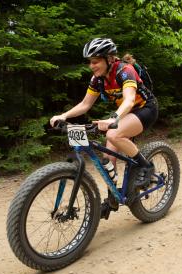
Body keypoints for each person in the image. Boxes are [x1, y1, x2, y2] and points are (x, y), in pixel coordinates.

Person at [50, 37, 158, 208]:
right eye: (90, 62)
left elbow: (129, 100)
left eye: (95, 61)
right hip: (124, 113)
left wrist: (113, 119)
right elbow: (85, 104)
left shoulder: (125, 71)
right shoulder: (97, 79)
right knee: (108, 158)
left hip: (145, 109)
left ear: (109, 59)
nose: (91, 66)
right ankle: (113, 199)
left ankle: (147, 167)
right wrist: (63, 115)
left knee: (113, 134)